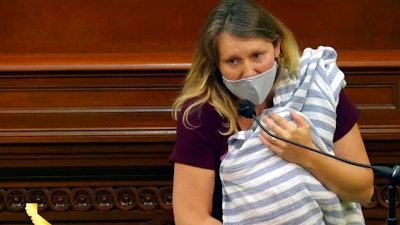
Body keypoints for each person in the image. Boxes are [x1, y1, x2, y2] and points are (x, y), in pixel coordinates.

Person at [169, 0, 374, 224]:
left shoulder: (314, 85)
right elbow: (190, 217)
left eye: (257, 55)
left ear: (277, 46)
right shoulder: (200, 114)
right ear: (215, 63)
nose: (248, 72)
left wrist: (307, 155)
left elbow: (363, 190)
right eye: (233, 61)